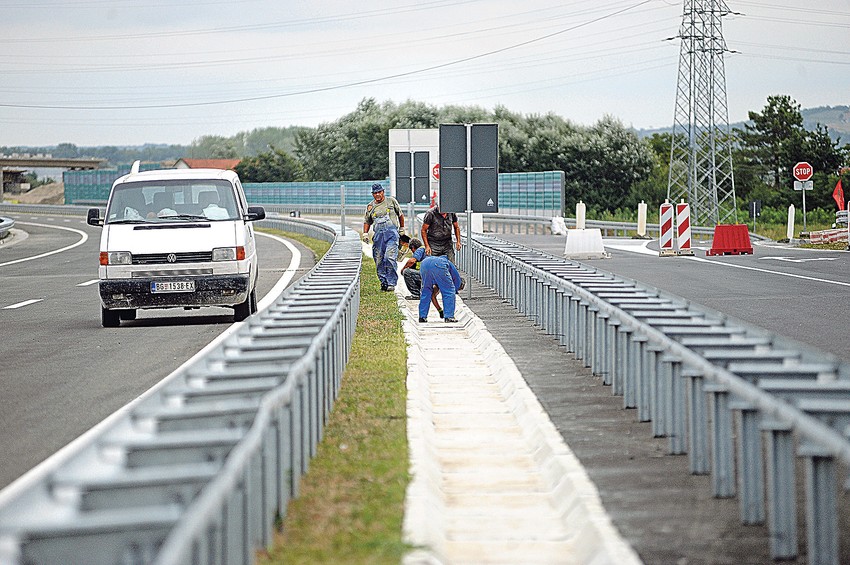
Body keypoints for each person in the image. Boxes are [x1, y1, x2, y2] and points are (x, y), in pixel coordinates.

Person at [362, 183, 405, 291]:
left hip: (392, 236)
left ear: (383, 192)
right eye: (375, 193)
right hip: (378, 238)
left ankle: (391, 283)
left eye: (379, 192)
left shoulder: (391, 201)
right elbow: (367, 221)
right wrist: (365, 233)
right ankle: (384, 283)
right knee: (379, 260)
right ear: (372, 194)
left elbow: (400, 215)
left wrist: (402, 228)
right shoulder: (370, 207)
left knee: (389, 257)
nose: (377, 194)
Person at [400, 238, 444, 317]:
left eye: (412, 250)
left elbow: (411, 261)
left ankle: (416, 294)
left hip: (427, 275)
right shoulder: (426, 249)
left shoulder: (420, 250)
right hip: (433, 276)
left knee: (407, 272)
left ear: (413, 247)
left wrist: (403, 269)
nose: (413, 252)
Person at [418, 252, 463, 324]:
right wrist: (455, 290)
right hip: (439, 265)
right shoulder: (451, 271)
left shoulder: (441, 263)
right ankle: (449, 316)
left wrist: (440, 310)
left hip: (424, 264)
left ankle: (422, 317)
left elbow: (432, 296)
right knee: (449, 291)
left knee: (426, 291)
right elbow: (455, 285)